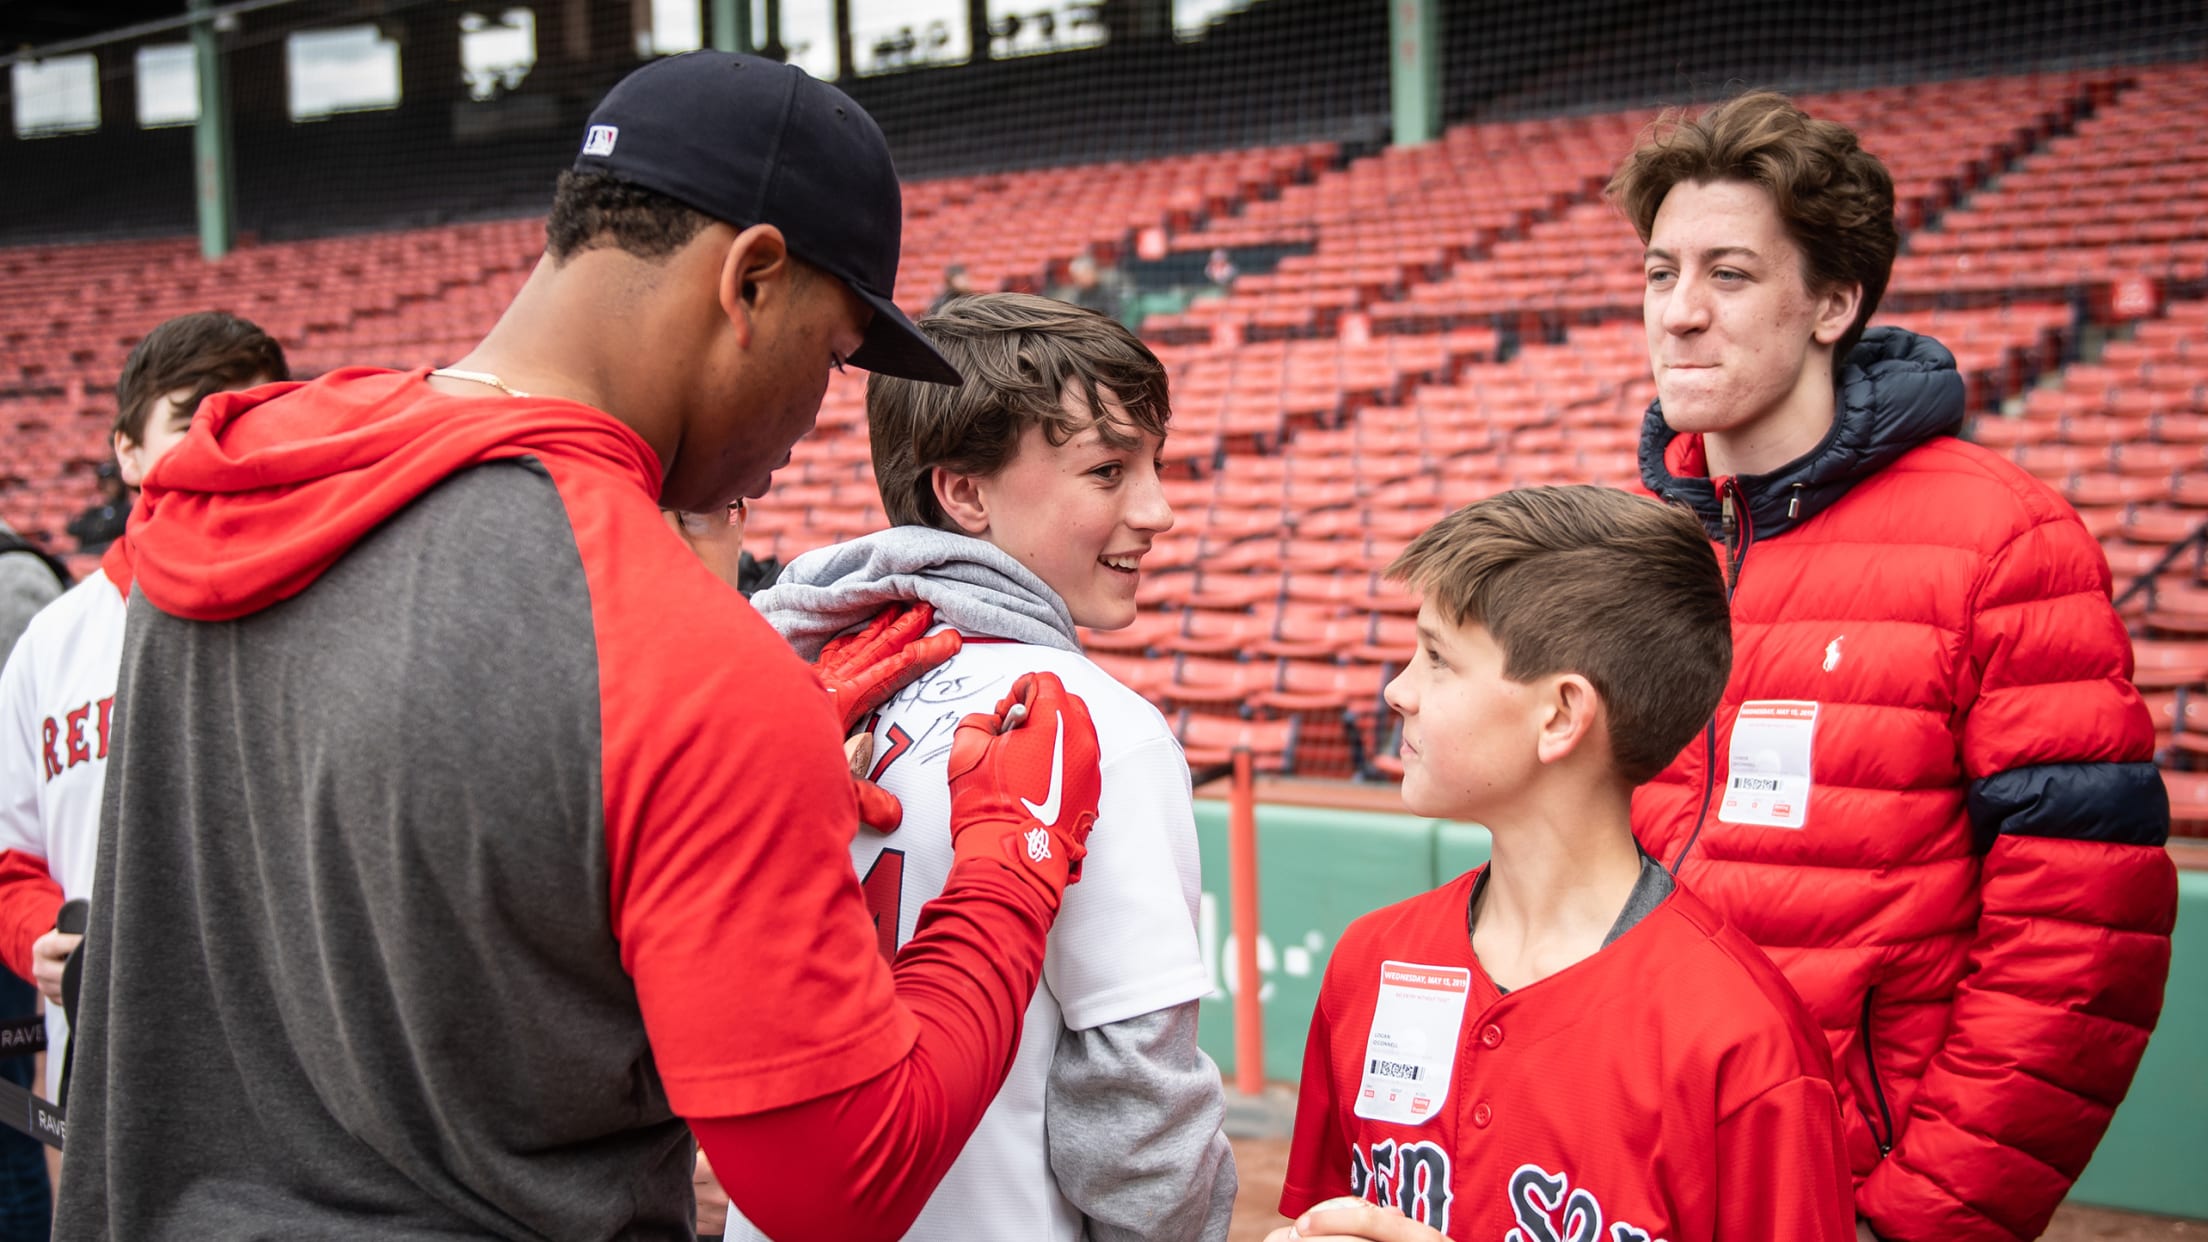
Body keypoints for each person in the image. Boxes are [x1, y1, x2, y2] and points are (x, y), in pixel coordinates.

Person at [54, 52, 1108, 1242]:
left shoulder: (236, 483)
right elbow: (841, 1184)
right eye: (828, 354)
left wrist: (677, 796)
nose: (817, 413)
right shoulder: (679, 654)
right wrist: (1009, 869)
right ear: (749, 279)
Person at [1617, 92, 2175, 1242]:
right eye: (1660, 272)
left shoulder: (2004, 540)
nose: (1679, 314)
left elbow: (2080, 940)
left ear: (1832, 302)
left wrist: (1918, 1223)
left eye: (1728, 275)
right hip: (1628, 1164)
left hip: (1849, 1185)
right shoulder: (1625, 541)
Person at [732, 292, 1235, 1242]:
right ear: (962, 492)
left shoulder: (772, 693)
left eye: (1155, 467)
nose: (1160, 510)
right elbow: (1137, 1123)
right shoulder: (1098, 727)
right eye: (1107, 471)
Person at [1271, 486, 1853, 1242]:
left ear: (1560, 715)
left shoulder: (1741, 1038)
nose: (1398, 690)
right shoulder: (1372, 961)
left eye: (1439, 659)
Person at [0, 308, 289, 1097]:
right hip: (107, 1069)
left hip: (300, 1065)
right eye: (193, 415)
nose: (227, 438)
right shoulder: (52, 641)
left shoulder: (335, 608)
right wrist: (37, 939)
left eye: (257, 414)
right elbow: (9, 858)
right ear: (127, 452)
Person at [63, 465, 127, 555]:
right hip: (88, 553)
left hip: (112, 553)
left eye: (111, 483)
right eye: (104, 484)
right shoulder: (93, 509)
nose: (108, 488)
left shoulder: (125, 509)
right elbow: (73, 529)